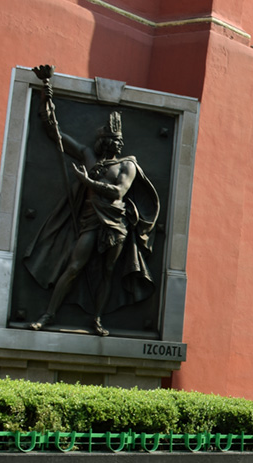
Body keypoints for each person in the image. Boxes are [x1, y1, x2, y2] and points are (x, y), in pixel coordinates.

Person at [24, 81, 159, 337]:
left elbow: (119, 191)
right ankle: (48, 314)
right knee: (74, 266)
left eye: (116, 140)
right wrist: (47, 95)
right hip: (90, 222)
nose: (115, 144)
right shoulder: (88, 156)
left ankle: (97, 318)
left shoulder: (128, 165)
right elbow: (58, 136)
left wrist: (87, 182)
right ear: (103, 141)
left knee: (108, 272)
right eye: (111, 140)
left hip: (115, 226)